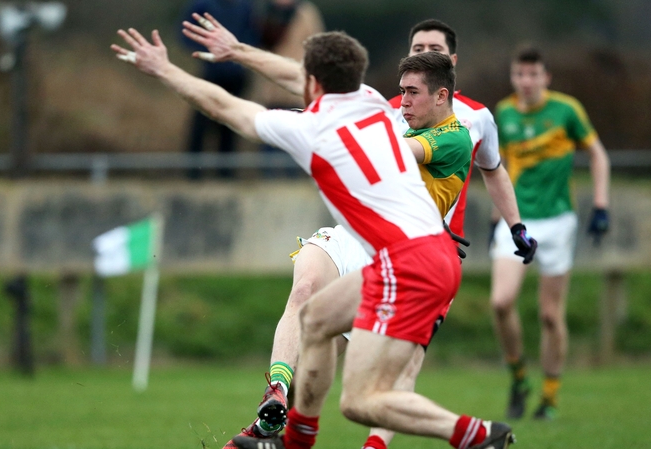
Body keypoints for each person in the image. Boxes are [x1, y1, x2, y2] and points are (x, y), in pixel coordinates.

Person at [112, 26, 516, 449]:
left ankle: (478, 435)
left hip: (411, 262)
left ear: (312, 83)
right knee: (316, 319)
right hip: (412, 255)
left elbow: (223, 106)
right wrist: (241, 52)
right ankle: (296, 439)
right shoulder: (374, 104)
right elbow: (295, 75)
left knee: (362, 402)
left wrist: (163, 70)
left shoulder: (312, 130)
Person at [490, 46, 611, 421]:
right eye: (519, 75)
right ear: (513, 78)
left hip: (559, 221)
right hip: (518, 223)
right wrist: (499, 214)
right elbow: (499, 165)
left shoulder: (567, 110)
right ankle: (519, 378)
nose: (526, 81)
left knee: (549, 316)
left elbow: (598, 155)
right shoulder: (503, 113)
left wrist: (601, 205)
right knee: (500, 302)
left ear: (546, 77)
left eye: (533, 74)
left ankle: (550, 398)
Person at [180, 0, 257, 179]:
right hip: (210, 72)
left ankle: (226, 174)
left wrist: (241, 55)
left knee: (231, 123)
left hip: (236, 74)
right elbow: (184, 32)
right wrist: (206, 49)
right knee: (201, 122)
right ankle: (193, 173)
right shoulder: (202, 5)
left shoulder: (246, 6)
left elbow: (253, 34)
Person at [256, 0, 324, 177]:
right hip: (273, 90)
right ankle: (270, 181)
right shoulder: (265, 12)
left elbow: (317, 46)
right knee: (272, 141)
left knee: (295, 143)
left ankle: (293, 180)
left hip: (296, 91)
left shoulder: (304, 12)